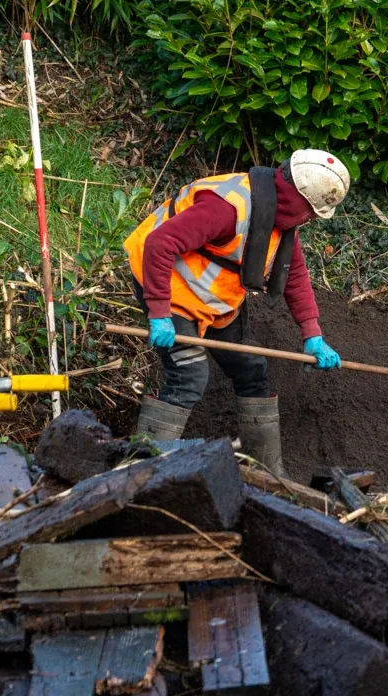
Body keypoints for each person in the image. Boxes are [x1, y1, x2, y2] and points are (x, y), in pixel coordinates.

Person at [123, 149, 350, 475]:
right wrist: (158, 311)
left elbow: (295, 277)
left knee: (251, 369)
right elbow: (160, 243)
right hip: (168, 288)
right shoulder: (228, 207)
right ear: (296, 198)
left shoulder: (279, 220)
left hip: (216, 302)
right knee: (189, 375)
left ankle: (268, 475)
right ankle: (139, 473)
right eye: (312, 212)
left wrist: (313, 335)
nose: (312, 219)